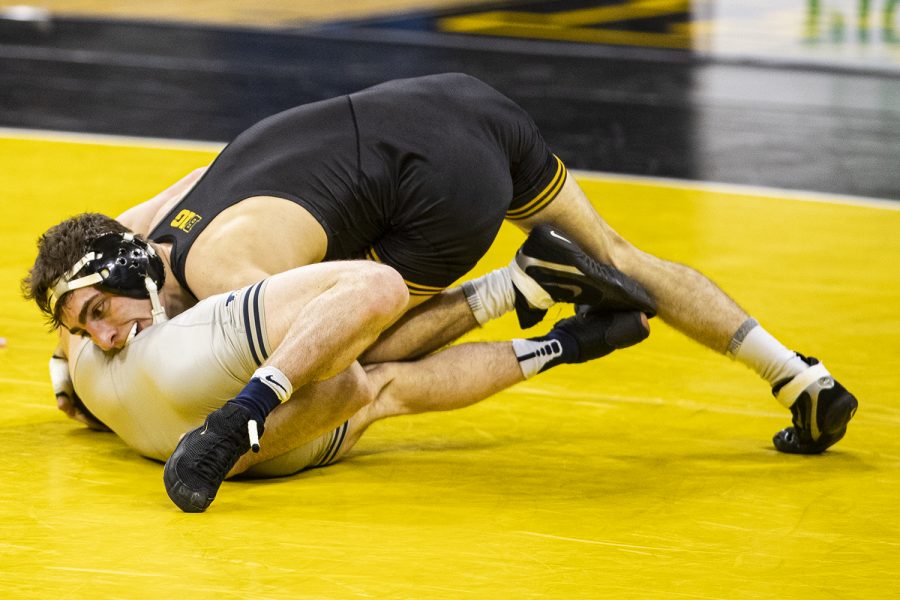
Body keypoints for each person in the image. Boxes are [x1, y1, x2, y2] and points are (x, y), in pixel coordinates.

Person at [24, 73, 857, 509]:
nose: (105, 338)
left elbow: (339, 364)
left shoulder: (218, 271)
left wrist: (248, 412)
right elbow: (99, 235)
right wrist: (64, 356)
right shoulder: (161, 221)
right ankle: (798, 377)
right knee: (621, 252)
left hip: (432, 184)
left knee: (360, 342)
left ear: (131, 274)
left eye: (98, 317)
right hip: (460, 104)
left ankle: (521, 287)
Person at [53, 257, 650, 511]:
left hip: (245, 438)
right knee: (370, 366)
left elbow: (71, 319)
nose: (106, 336)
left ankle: (565, 338)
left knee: (385, 384)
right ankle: (515, 291)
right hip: (266, 410)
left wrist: (62, 372)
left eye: (102, 311)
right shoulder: (190, 278)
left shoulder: (85, 358)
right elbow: (350, 376)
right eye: (88, 325)